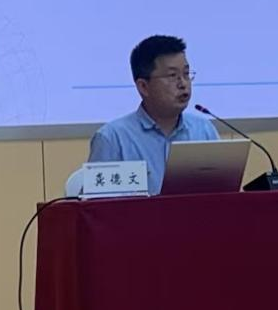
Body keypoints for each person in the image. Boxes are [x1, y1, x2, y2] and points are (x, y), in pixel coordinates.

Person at [87, 35, 218, 194]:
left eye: (186, 73)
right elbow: (95, 205)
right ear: (143, 86)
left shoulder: (204, 130)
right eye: (172, 76)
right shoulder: (112, 139)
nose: (183, 84)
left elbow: (220, 195)